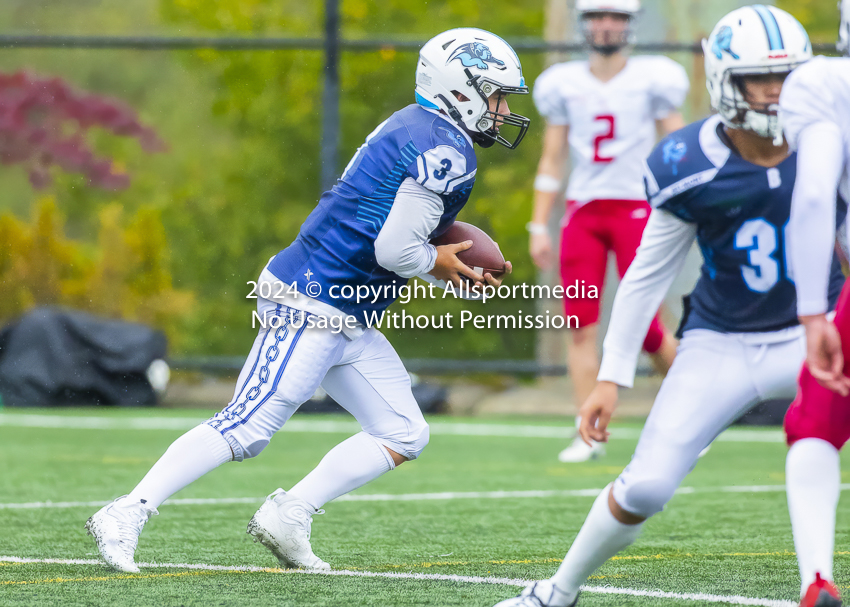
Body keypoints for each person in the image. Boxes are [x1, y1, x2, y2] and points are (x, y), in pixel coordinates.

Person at [85, 27, 529, 574]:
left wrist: (448, 270)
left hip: (348, 307)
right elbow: (395, 247)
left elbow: (384, 233)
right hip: (313, 298)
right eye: (496, 95)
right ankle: (126, 511)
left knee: (403, 430)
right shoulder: (445, 147)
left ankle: (289, 513)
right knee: (246, 427)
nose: (503, 110)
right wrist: (439, 263)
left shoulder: (416, 126)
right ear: (460, 88)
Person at [494, 6, 832, 606]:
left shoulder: (828, 140)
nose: (777, 94)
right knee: (645, 487)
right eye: (762, 78)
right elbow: (647, 277)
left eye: (787, 77)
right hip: (721, 341)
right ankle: (556, 591)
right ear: (727, 81)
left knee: (819, 434)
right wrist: (610, 376)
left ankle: (817, 584)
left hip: (816, 333)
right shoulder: (688, 162)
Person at [529, 0, 685, 463]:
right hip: (583, 213)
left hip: (637, 210)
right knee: (580, 326)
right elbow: (552, 159)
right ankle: (587, 431)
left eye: (615, 16)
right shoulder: (564, 84)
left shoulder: (652, 78)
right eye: (598, 16)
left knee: (650, 329)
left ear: (629, 24)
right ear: (584, 23)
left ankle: (691, 417)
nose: (606, 24)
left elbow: (678, 146)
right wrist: (539, 224)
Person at [780, 0, 850, 604]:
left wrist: (812, 314)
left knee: (815, 422)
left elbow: (813, 198)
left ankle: (818, 578)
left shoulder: (827, 82)